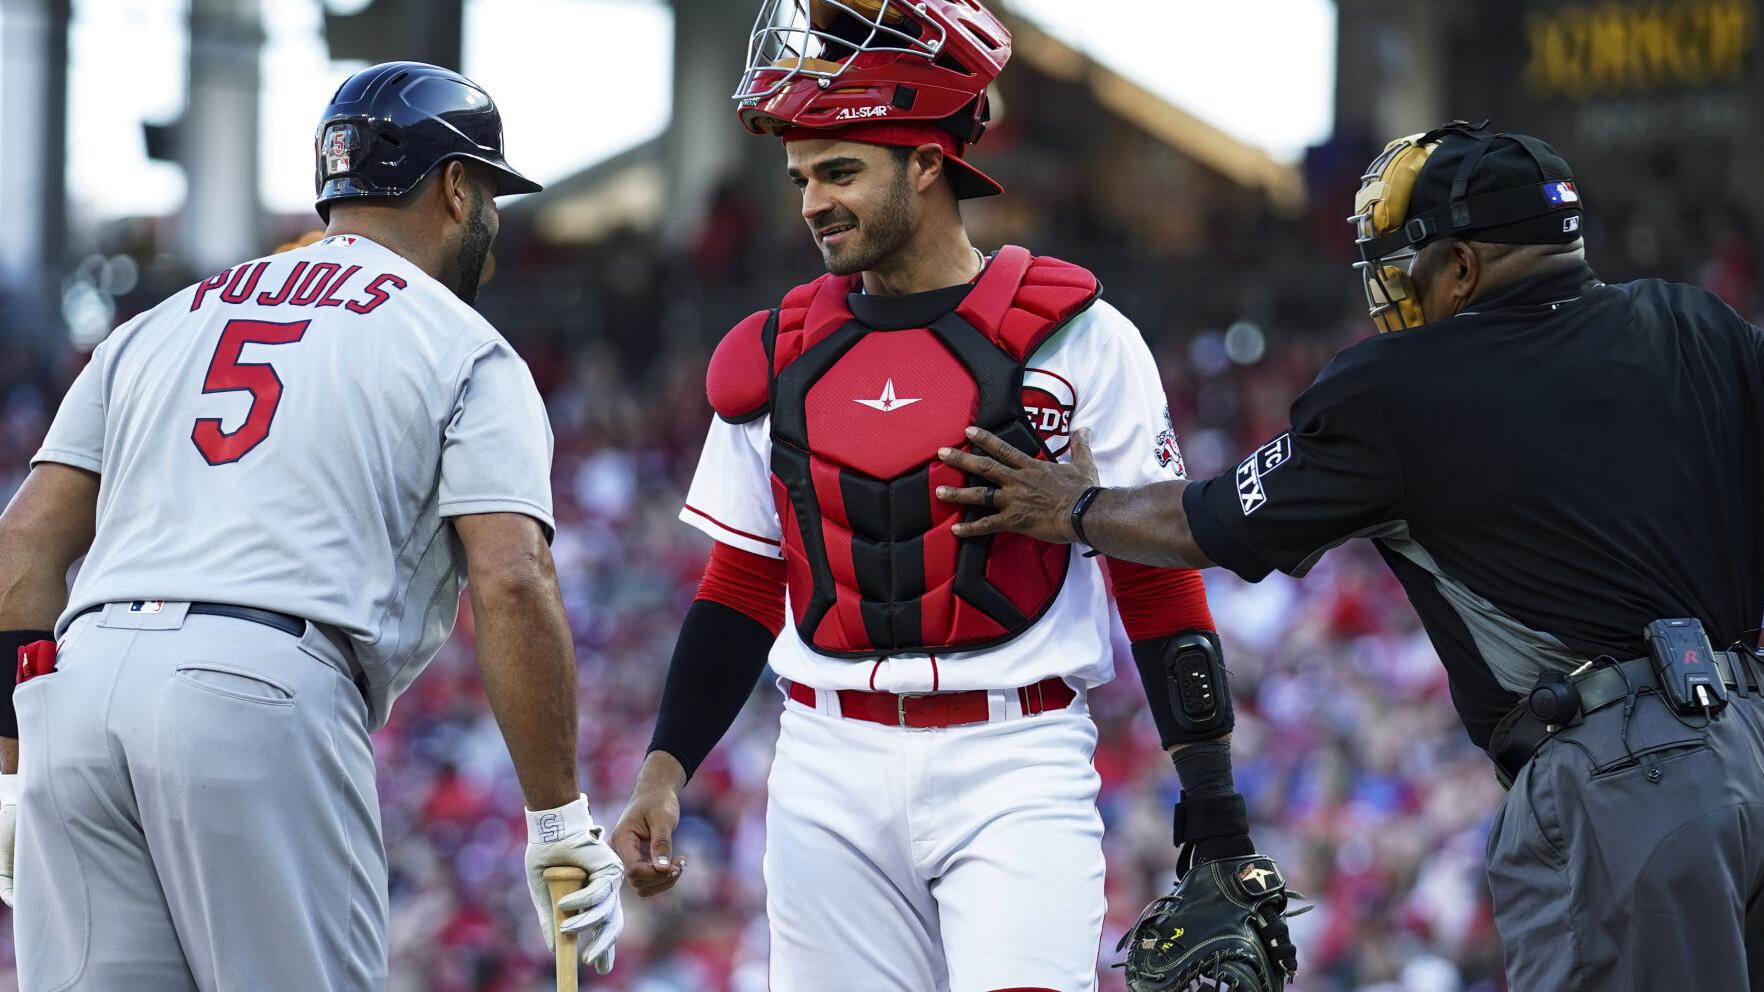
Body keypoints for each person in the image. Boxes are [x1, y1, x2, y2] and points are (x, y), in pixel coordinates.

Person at [938, 119, 1764, 990]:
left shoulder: (1403, 383)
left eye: (1402, 261)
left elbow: (1214, 521)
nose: (1389, 287)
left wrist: (1075, 506)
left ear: (1460, 266)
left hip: (1625, 786)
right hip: (1750, 734)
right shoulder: (1695, 321)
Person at [608, 2, 1297, 989]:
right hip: (823, 761)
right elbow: (741, 584)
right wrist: (663, 769)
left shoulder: (1078, 339)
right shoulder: (774, 352)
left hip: (1015, 755)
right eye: (802, 178)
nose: (812, 204)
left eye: (841, 172)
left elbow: (1155, 580)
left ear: (927, 162)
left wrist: (1216, 803)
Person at [0, 62, 624, 989]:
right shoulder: (462, 343)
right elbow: (510, 578)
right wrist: (559, 823)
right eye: (488, 191)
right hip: (258, 689)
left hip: (79, 693)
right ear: (456, 188)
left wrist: (15, 768)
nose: (492, 225)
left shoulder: (161, 321)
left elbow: (23, 546)